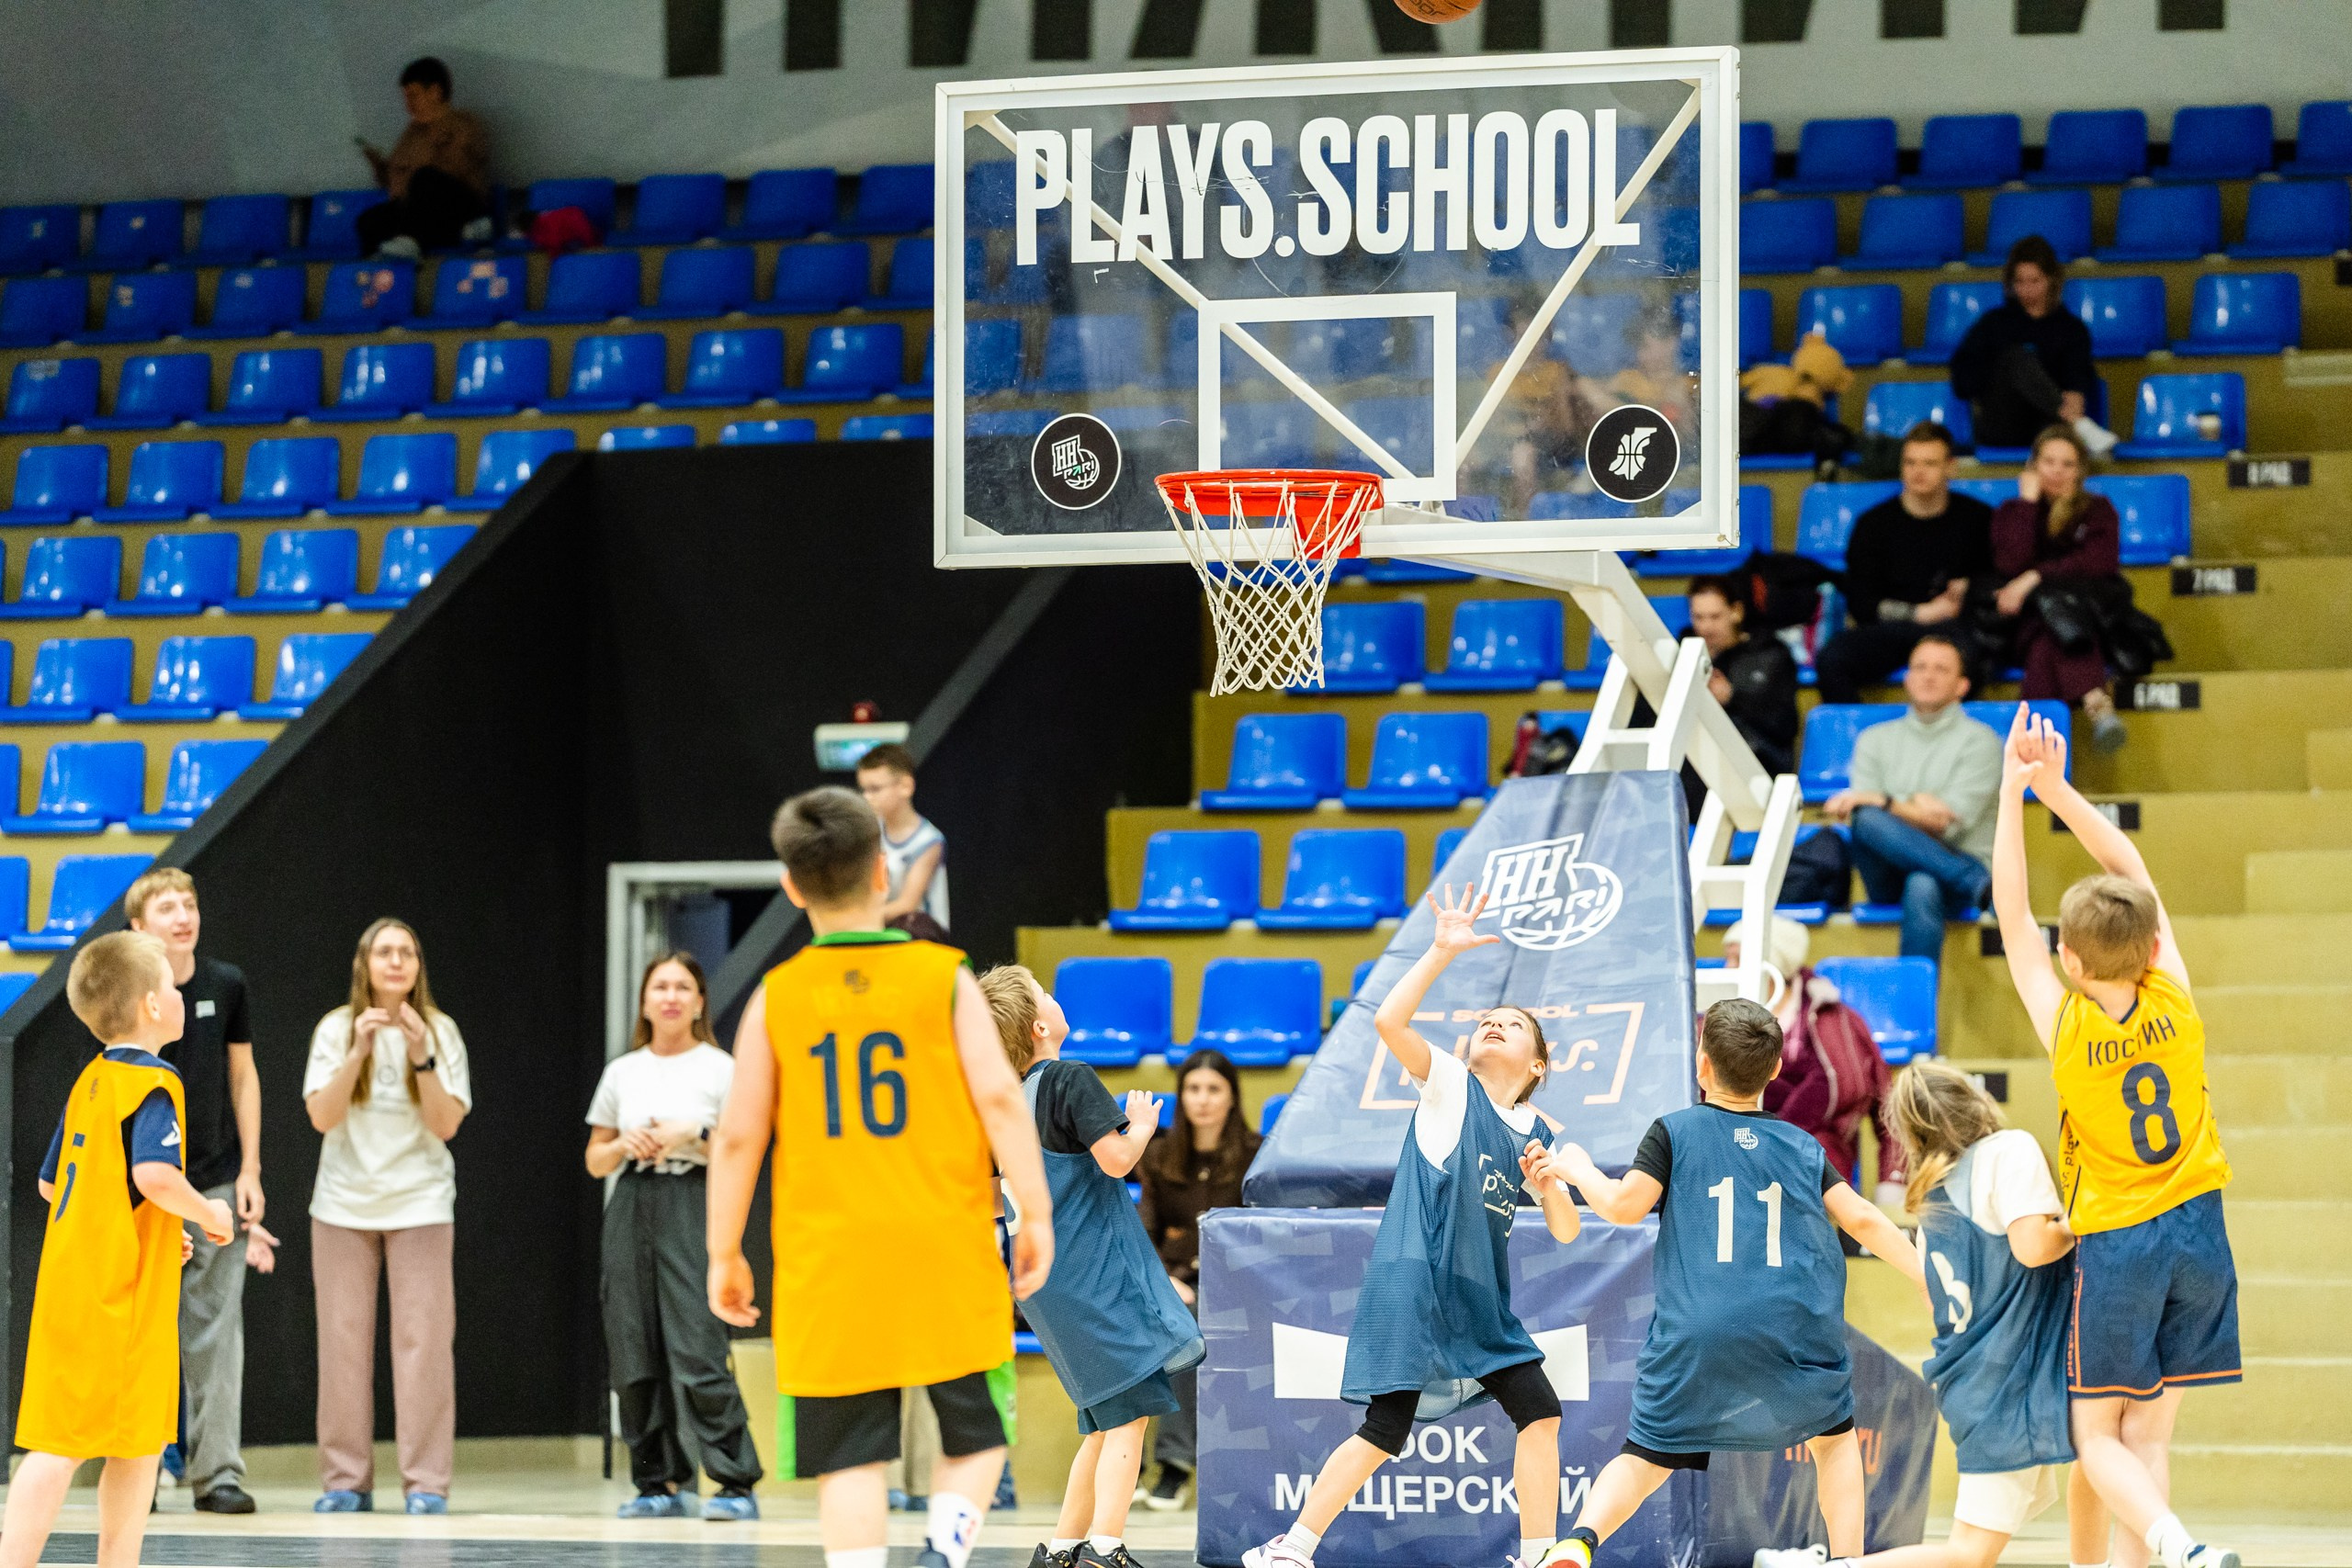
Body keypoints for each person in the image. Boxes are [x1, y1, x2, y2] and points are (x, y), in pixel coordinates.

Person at [706, 787, 1054, 1568]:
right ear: (881, 873)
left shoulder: (775, 998)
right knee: (977, 1429)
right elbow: (1001, 1096)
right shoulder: (945, 977)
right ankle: (944, 1546)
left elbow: (736, 1140)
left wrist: (724, 1250)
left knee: (850, 1457)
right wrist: (1036, 1210)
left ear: (791, 886)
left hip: (829, 1259)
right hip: (942, 1236)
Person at [1244, 886, 1583, 1568]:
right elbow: (1390, 1023)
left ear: (1538, 1064)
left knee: (1541, 1413)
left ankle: (1541, 1556)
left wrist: (1550, 1186)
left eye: (1512, 1024)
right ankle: (1291, 1547)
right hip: (1418, 1284)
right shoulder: (1451, 1085)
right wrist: (1440, 949)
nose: (1493, 1024)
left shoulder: (1542, 1131)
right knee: (1385, 1427)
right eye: (1487, 1018)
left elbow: (1569, 1230)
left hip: (1481, 1304)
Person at [1538, 1000, 1926, 1568]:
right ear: (1774, 1071)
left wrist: (1577, 1170)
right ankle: (1846, 1561)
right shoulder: (1802, 1146)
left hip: (1697, 1332)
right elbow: (1863, 1219)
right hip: (1790, 1331)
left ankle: (1578, 1542)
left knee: (1646, 1457)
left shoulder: (1674, 1132)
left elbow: (1623, 1208)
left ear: (1702, 1065)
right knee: (1834, 1442)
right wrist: (1923, 1275)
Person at [1991, 708, 2240, 1568]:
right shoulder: (2173, 994)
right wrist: (2059, 788)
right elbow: (2128, 868)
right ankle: (2162, 1557)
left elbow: (2008, 908)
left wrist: (2011, 794)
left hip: (2124, 1238)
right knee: (2150, 1434)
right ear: (2149, 943)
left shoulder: (2063, 1023)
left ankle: (2180, 1542)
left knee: (2093, 1429)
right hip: (2201, 1228)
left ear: (2072, 961)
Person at [1754, 1061, 2108, 1568]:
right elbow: (2033, 1248)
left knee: (2095, 1457)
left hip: (1983, 1378)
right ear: (1975, 1100)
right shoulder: (2009, 1151)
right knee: (1972, 1553)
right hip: (2007, 1381)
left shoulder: (1932, 1196)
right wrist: (2085, 1220)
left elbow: (1933, 1298)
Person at [4, 931, 234, 1568]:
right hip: (115, 1298)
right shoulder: (156, 1082)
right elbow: (155, 1176)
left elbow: (55, 1182)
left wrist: (156, 1227)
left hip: (81, 1281)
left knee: (134, 1443)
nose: (179, 989)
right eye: (169, 981)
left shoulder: (92, 1080)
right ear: (154, 1006)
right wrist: (209, 1210)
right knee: (66, 1444)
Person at [980, 965, 1199, 1568]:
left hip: (1042, 1284)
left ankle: (1061, 1547)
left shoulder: (1003, 1102)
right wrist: (1144, 1126)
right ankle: (1108, 1547)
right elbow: (1116, 1161)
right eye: (1045, 992)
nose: (1056, 995)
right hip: (1092, 1275)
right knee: (1130, 1418)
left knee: (1101, 1422)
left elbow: (991, 1194)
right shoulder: (1070, 1078)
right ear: (1040, 1024)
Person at [302, 919, 473, 1515]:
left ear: (418, 964)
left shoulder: (441, 1031)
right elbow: (322, 1116)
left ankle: (426, 1481)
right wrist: (358, 1052)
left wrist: (422, 1055)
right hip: (343, 1203)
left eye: (407, 952)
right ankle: (345, 1480)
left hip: (420, 1200)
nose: (397, 961)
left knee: (423, 1343)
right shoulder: (334, 1027)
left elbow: (446, 1124)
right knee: (343, 1344)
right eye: (385, 951)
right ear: (365, 964)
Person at [585, 953, 763, 1520]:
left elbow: (740, 1149)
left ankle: (735, 1483)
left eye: (682, 986)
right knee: (633, 1350)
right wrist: (622, 1147)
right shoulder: (623, 1071)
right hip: (633, 1200)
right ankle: (658, 1482)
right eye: (659, 986)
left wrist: (696, 1132)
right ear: (644, 1001)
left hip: (694, 1198)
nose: (670, 996)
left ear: (699, 1001)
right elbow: (594, 1157)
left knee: (697, 1349)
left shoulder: (719, 1068)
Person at [120, 868, 276, 1515]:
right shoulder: (124, 991)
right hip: (146, 1187)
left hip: (212, 1178)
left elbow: (243, 1075)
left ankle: (217, 1473)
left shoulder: (225, 983)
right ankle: (140, 1472)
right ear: (138, 926)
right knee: (142, 1333)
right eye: (166, 905)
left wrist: (251, 1170)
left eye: (189, 903)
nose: (183, 914)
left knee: (216, 1332)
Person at [1820, 631, 2002, 963]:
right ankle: (1975, 884)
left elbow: (1948, 826)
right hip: (1889, 870)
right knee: (1867, 818)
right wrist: (1906, 805)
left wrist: (1887, 801)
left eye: (1941, 669)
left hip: (1959, 854)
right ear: (1906, 678)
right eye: (1920, 667)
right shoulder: (1873, 740)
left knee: (1922, 884)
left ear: (1962, 685)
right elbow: (1864, 814)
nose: (1928, 676)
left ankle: (1913, 1006)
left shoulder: (1982, 742)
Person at [1134, 1048, 1261, 1510]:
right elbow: (1144, 1233)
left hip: (1235, 1286)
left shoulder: (1257, 1155)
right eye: (1193, 1089)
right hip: (1169, 1282)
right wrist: (1165, 1276)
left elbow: (1259, 1237)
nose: (1202, 1099)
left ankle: (1172, 1465)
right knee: (1126, 1318)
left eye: (1213, 1089)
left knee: (1185, 1320)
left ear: (1232, 1098)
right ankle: (1122, 1458)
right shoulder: (1159, 1156)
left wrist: (1195, 1276)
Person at [1720, 916, 1906, 1207]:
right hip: (1733, 1147)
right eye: (1727, 959)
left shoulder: (1838, 1021)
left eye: (1737, 959)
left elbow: (1888, 1111)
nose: (1726, 970)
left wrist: (1892, 1183)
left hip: (1815, 1155)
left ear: (1772, 964)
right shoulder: (1715, 1020)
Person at [1812, 423, 1996, 705]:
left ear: (1951, 467)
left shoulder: (1978, 518)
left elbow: (1999, 578)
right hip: (1891, 629)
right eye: (1910, 462)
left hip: (1954, 629)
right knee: (1832, 659)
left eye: (1929, 463)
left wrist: (1971, 587)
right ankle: (1861, 744)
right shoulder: (1872, 524)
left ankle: (1954, 744)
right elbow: (1860, 601)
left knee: (1973, 659)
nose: (1917, 471)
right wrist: (1919, 613)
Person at [1990, 426, 2130, 752]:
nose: (2056, 470)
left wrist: (2035, 577)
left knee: (2048, 639)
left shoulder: (2097, 510)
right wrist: (2028, 504)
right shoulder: (2012, 512)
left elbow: (2099, 563)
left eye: (2067, 464)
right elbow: (2010, 564)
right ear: (2032, 465)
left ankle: (2029, 746)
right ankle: (2096, 700)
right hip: (2022, 622)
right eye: (2048, 461)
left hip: (2086, 615)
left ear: (2080, 470)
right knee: (2049, 623)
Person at [1950, 236, 2116, 456]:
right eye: (2020, 282)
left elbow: (2077, 381)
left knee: (2060, 408)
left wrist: (2070, 398)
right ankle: (2080, 425)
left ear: (2051, 280)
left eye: (2035, 281)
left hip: (2049, 425)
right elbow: (1963, 380)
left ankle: (2074, 422)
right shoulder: (1994, 323)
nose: (2027, 290)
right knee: (2015, 358)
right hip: (2003, 423)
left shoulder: (2072, 329)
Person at [355, 57, 491, 258]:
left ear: (435, 92)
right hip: (417, 211)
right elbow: (396, 183)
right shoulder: (412, 133)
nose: (408, 105)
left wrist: (434, 134)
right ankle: (381, 269)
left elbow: (452, 172)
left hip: (458, 205)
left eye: (413, 96)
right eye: (406, 98)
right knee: (370, 219)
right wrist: (380, 167)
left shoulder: (464, 124)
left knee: (425, 179)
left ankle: (414, 240)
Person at [1687, 573, 1799, 776]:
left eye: (1715, 616)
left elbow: (1785, 725)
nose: (1706, 627)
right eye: (1698, 617)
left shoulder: (1772, 655)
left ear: (1736, 611)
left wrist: (1732, 698)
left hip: (1758, 759)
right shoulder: (1683, 655)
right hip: (1698, 756)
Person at [856, 743, 950, 932]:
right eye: (864, 790)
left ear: (906, 787)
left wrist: (857, 919)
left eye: (875, 789)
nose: (867, 797)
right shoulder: (871, 833)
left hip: (926, 941)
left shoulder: (929, 841)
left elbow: (907, 904)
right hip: (887, 935)